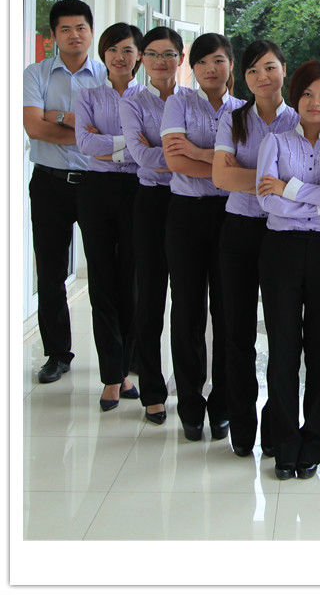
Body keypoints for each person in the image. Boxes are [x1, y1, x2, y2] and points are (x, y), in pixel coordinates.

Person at [256, 60, 320, 480]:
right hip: (281, 251)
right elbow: (267, 200)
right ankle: (284, 442)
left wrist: (292, 190)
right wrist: (319, 200)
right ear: (295, 98)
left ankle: (313, 442)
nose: (316, 102)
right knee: (282, 350)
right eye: (308, 94)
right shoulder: (275, 142)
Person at [212, 40, 299, 458]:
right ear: (242, 77)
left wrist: (249, 176)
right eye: (252, 70)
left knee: (283, 335)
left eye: (269, 67)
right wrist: (275, 182)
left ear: (284, 69)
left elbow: (311, 178)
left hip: (285, 235)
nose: (262, 77)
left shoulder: (299, 119)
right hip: (239, 233)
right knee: (237, 333)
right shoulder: (233, 119)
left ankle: (278, 428)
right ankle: (241, 424)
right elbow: (220, 178)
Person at [161, 33, 243, 441]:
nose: (211, 69)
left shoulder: (242, 111)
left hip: (232, 216)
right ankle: (190, 405)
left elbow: (245, 162)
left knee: (228, 312)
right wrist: (218, 163)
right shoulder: (178, 102)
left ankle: (223, 405)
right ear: (192, 68)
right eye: (202, 62)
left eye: (218, 60)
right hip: (187, 214)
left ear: (231, 64)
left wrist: (195, 151)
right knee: (187, 310)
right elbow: (173, 160)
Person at [23, 0, 107, 383]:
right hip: (49, 183)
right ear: (54, 34)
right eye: (66, 29)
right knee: (51, 272)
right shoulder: (36, 74)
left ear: (91, 31)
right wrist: (84, 127)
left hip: (97, 183)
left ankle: (119, 357)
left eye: (81, 28)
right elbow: (33, 127)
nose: (75, 35)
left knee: (107, 272)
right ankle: (57, 354)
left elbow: (113, 132)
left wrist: (57, 117)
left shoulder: (107, 75)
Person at [74, 22, 144, 411]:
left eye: (128, 50)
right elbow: (84, 143)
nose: (120, 56)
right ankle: (111, 377)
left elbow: (153, 149)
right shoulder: (88, 96)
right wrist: (131, 145)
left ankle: (127, 370)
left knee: (131, 282)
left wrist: (111, 146)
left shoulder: (150, 100)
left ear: (139, 57)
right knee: (101, 281)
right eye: (113, 49)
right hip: (96, 191)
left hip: (138, 190)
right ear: (104, 54)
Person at [120, 27, 184, 425]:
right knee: (150, 298)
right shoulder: (132, 101)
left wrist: (181, 154)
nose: (161, 61)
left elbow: (214, 155)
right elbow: (141, 157)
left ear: (181, 58)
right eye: (153, 54)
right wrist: (183, 155)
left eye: (169, 54)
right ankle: (153, 391)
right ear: (142, 59)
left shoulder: (191, 100)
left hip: (187, 203)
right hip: (150, 203)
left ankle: (191, 387)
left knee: (188, 299)